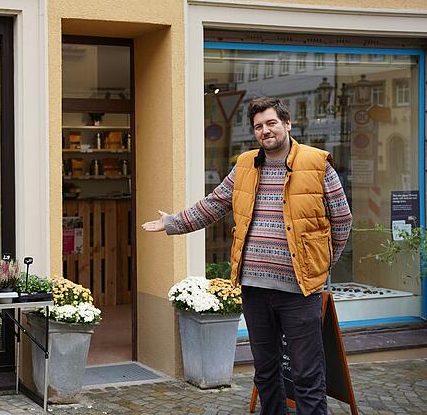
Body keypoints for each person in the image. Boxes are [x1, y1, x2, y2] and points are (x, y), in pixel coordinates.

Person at [142, 97, 351, 414]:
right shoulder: (245, 166)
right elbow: (213, 205)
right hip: (254, 290)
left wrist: (320, 264)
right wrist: (172, 222)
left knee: (308, 376)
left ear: (287, 124)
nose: (265, 131)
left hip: (299, 292)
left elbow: (342, 219)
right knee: (266, 374)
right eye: (258, 126)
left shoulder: (317, 163)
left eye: (271, 123)